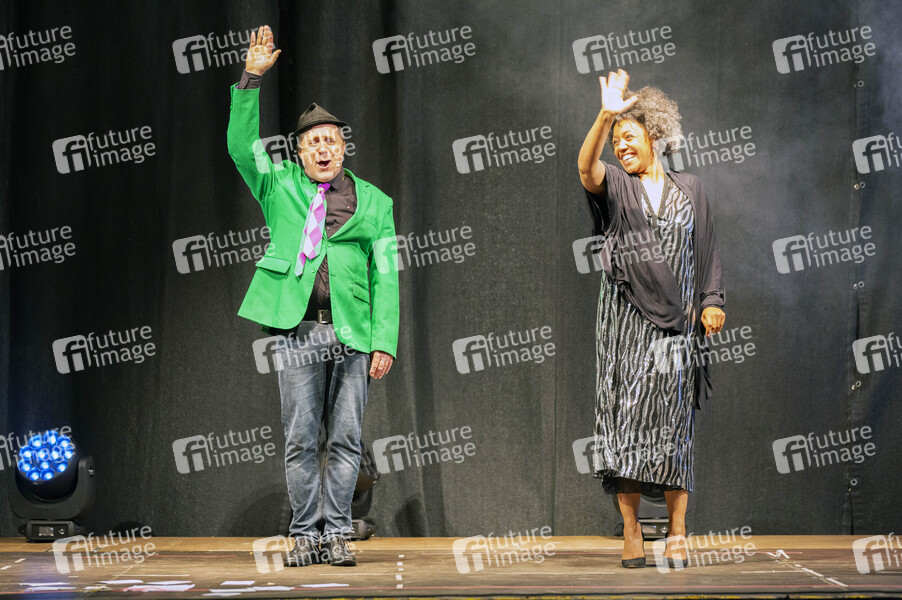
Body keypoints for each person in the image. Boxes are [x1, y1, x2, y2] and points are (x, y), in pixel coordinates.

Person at [227, 25, 399, 567]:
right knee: (301, 439)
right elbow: (240, 148)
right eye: (313, 142)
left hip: (353, 333)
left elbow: (387, 275)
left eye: (331, 141)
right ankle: (305, 533)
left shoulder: (375, 203)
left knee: (346, 440)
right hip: (300, 331)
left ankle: (337, 533)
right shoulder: (278, 184)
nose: (323, 149)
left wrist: (384, 340)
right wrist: (251, 79)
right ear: (299, 151)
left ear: (343, 148)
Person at [577, 70, 725, 568]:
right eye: (616, 140)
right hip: (625, 322)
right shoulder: (618, 186)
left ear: (655, 135)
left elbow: (707, 251)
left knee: (673, 424)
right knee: (625, 422)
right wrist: (606, 115)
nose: (621, 146)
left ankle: (678, 530)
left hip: (678, 326)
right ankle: (632, 529)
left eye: (629, 136)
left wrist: (712, 300)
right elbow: (586, 169)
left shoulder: (691, 189)